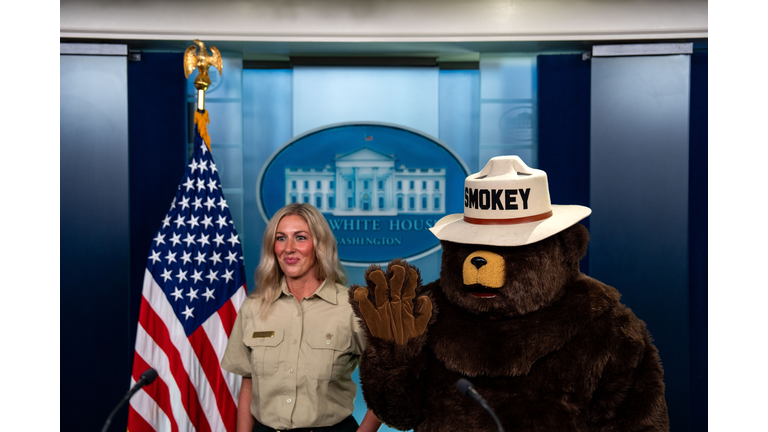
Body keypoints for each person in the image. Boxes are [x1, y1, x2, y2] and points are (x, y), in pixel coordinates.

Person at [222, 203, 382, 432]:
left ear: (320, 245)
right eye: (280, 238)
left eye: (300, 238)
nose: (288, 248)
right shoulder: (253, 308)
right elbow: (248, 384)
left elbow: (389, 380)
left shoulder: (353, 308)